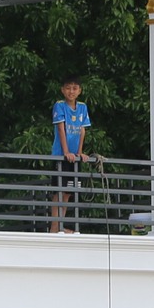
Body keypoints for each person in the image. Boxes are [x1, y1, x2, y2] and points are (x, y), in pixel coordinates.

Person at [49, 77, 91, 233]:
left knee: (68, 192)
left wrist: (79, 153)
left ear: (79, 91)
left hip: (74, 156)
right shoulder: (59, 106)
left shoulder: (82, 107)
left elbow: (82, 130)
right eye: (68, 88)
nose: (71, 91)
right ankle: (55, 228)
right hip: (62, 155)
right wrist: (66, 152)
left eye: (74, 88)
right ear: (62, 90)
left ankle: (59, 226)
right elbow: (61, 129)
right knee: (59, 191)